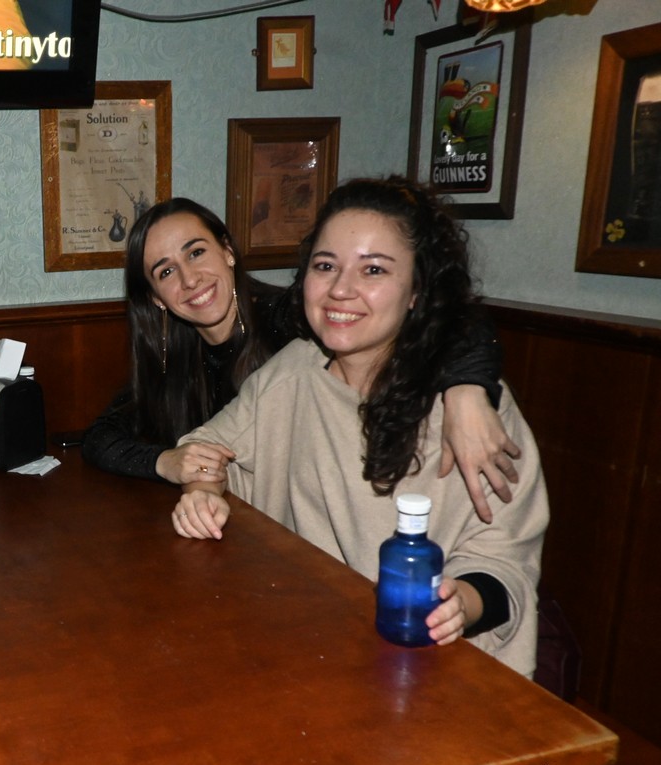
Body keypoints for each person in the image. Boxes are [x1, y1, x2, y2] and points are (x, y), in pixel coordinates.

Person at [170, 176, 546, 676]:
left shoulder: (470, 406)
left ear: (416, 291)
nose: (341, 290)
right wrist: (202, 490)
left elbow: (505, 559)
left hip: (427, 668)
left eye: (373, 269)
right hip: (298, 648)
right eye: (325, 266)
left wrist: (461, 602)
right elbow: (209, 445)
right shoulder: (294, 370)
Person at [81, 196, 521, 524]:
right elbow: (100, 438)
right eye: (165, 271)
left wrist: (467, 388)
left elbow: (450, 317)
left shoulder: (293, 317)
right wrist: (168, 463)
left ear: (228, 251)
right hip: (234, 530)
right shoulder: (172, 358)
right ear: (156, 298)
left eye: (196, 252)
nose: (189, 278)